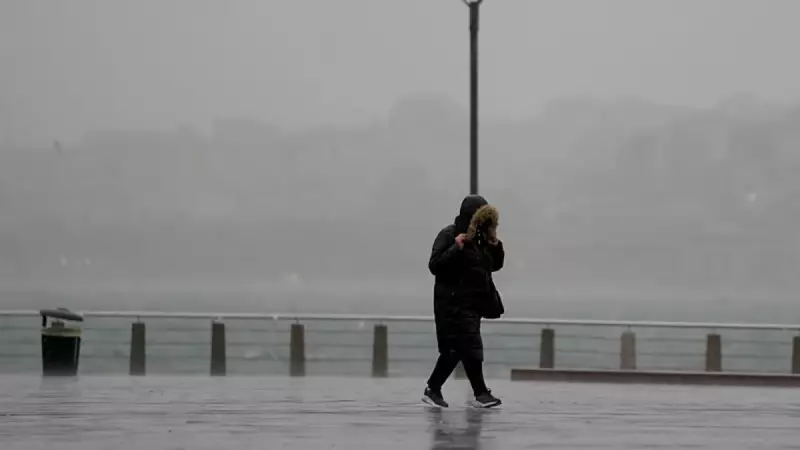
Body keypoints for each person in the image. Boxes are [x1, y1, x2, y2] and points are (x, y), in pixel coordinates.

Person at [422, 194, 504, 408]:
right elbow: (435, 265)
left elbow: (494, 265)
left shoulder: (481, 238)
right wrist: (455, 247)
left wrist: (495, 244)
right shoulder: (449, 234)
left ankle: (435, 389)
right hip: (451, 303)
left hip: (473, 303)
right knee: (464, 348)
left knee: (459, 349)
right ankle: (479, 393)